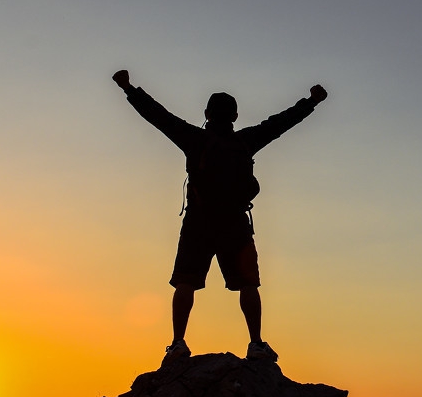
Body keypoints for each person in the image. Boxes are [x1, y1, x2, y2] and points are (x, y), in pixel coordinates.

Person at [112, 69, 327, 363]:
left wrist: (128, 87)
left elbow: (158, 116)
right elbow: (281, 123)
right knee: (248, 284)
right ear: (235, 117)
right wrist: (311, 102)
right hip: (235, 224)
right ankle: (256, 344)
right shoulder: (246, 141)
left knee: (185, 282)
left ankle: (177, 344)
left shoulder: (194, 139)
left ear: (207, 114)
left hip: (198, 223)